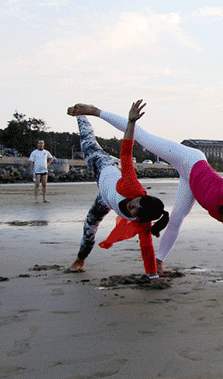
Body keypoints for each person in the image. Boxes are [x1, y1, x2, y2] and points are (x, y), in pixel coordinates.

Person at [66, 102, 223, 274]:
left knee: (176, 220)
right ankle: (95, 111)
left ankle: (159, 262)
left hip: (189, 183)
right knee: (144, 138)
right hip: (190, 161)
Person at [68, 100, 169, 279]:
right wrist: (131, 122)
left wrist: (153, 277)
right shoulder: (132, 186)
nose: (131, 205)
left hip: (104, 198)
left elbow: (146, 247)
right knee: (87, 142)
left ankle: (79, 260)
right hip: (104, 165)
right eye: (136, 202)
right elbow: (126, 153)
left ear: (140, 217)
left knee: (89, 227)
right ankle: (81, 114)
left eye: (134, 210)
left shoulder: (142, 222)